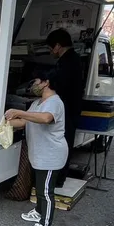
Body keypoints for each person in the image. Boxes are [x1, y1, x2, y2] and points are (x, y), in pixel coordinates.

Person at [4, 69, 68, 226]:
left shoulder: (54, 102)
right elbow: (25, 122)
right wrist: (5, 123)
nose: (33, 85)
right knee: (40, 187)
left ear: (46, 82)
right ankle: (39, 211)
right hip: (40, 154)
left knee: (46, 191)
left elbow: (46, 118)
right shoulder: (37, 103)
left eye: (36, 81)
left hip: (51, 154)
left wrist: (19, 112)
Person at [45, 29, 85, 187]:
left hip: (67, 110)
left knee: (63, 145)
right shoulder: (73, 59)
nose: (50, 52)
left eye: (50, 48)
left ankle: (57, 179)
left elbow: (60, 84)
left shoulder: (68, 62)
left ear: (57, 46)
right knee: (63, 143)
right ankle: (57, 178)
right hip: (70, 108)